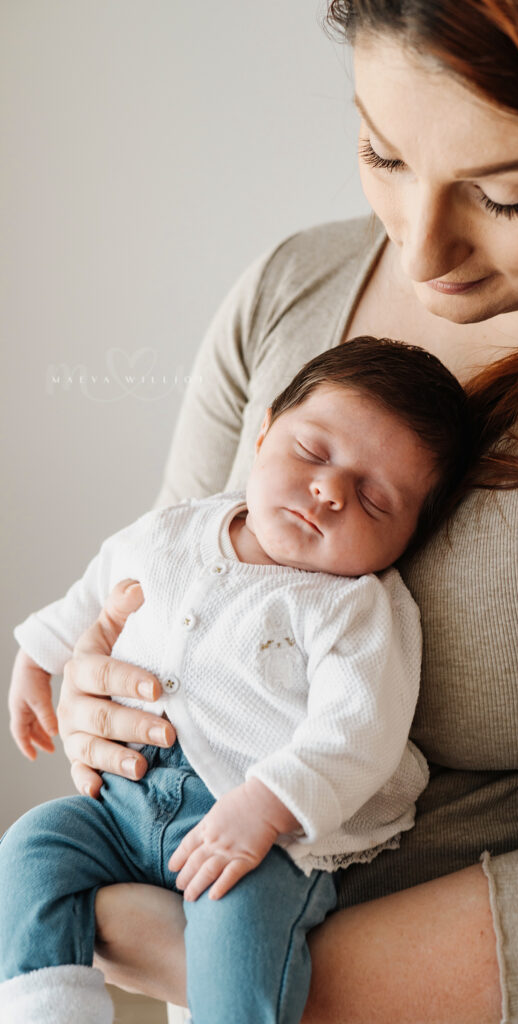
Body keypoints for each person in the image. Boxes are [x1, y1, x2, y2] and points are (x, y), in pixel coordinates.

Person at [48, 1, 518, 1022]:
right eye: (381, 154)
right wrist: (98, 696)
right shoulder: (292, 289)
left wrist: (202, 967)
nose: (423, 251)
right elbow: (158, 584)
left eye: (506, 195)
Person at [3, 338, 469, 1024]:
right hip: (125, 804)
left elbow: (358, 734)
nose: (330, 491)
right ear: (264, 434)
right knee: (32, 848)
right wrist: (37, 659)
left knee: (239, 926)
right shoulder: (171, 530)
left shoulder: (355, 607)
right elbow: (96, 588)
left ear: (409, 538)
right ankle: (46, 1010)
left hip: (266, 836)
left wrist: (266, 807)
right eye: (314, 453)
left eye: (374, 499)